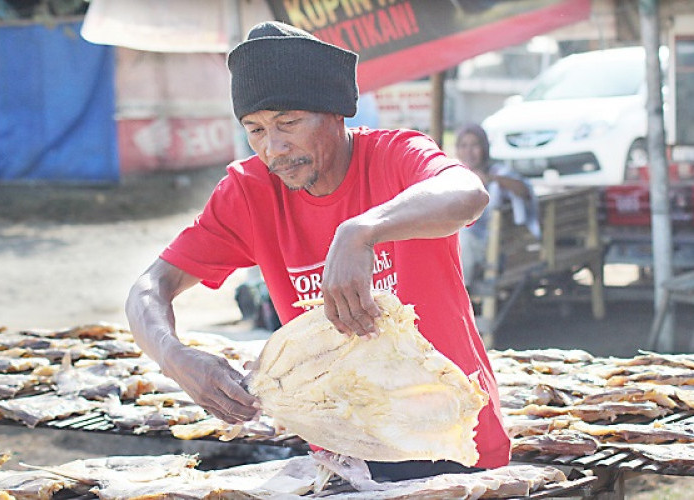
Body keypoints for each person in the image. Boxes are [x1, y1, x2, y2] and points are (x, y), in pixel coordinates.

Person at [125, 21, 510, 480]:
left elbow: (468, 193)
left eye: (289, 123)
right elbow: (149, 288)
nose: (275, 148)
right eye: (256, 129)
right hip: (344, 454)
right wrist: (173, 357)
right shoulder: (249, 193)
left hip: (455, 439)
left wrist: (361, 231)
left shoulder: (396, 157)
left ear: (336, 113)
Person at [456, 123, 540, 287]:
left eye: (474, 145)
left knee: (462, 238)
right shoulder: (454, 174)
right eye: (463, 146)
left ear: (484, 148)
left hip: (489, 244)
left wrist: (491, 179)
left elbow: (524, 191)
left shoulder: (497, 171)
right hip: (463, 240)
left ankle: (460, 290)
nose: (469, 151)